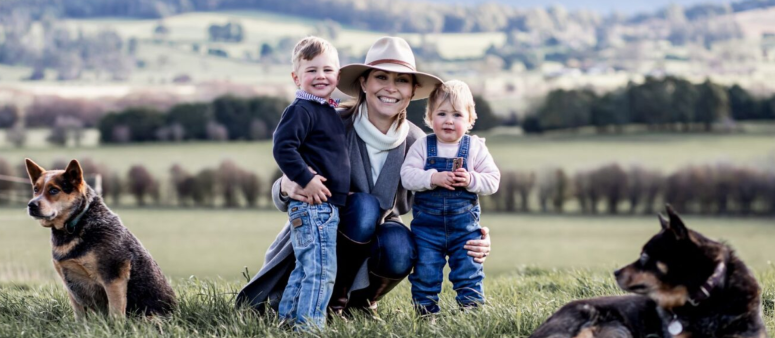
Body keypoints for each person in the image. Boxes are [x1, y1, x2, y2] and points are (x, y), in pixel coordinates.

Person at [236, 37, 492, 319]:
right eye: (381, 77)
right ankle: (324, 301)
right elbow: (285, 172)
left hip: (379, 237)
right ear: (363, 83)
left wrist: (473, 234)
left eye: (402, 80)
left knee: (399, 245)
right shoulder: (331, 121)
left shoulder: (418, 142)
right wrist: (285, 186)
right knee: (364, 206)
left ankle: (359, 303)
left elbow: (448, 194)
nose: (391, 88)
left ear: (412, 90)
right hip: (324, 231)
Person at [400, 80, 500, 315]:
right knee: (425, 273)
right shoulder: (423, 146)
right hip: (427, 231)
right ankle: (425, 314)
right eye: (441, 113)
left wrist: (471, 180)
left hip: (464, 229)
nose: (448, 120)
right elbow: (407, 177)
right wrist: (433, 178)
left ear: (469, 119)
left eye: (456, 114)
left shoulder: (474, 148)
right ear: (429, 117)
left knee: (468, 271)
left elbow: (493, 181)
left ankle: (471, 312)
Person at [271, 36, 348, 329]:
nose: (321, 76)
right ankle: (310, 328)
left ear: (338, 75)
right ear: (296, 77)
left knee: (305, 269)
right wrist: (306, 178)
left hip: (325, 206)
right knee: (321, 271)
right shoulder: (301, 110)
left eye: (327, 70)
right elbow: (283, 147)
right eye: (312, 70)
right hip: (313, 205)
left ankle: (288, 322)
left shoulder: (326, 109)